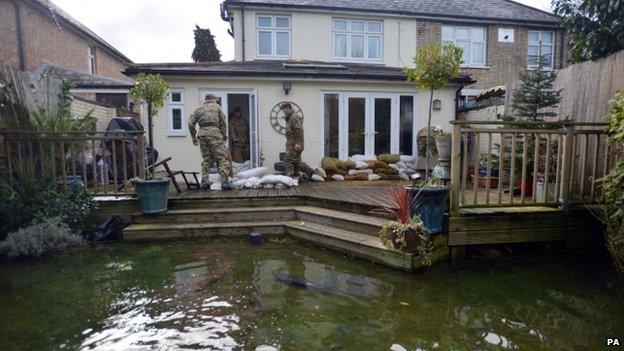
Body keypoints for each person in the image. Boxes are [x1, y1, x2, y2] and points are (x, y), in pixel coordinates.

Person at [188, 94, 233, 190]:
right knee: (222, 158)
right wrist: (224, 136)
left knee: (206, 159)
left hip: (202, 135)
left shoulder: (198, 108)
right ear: (212, 99)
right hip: (215, 134)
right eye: (215, 99)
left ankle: (205, 182)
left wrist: (193, 136)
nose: (216, 101)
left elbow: (190, 123)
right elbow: (223, 123)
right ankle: (224, 181)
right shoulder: (217, 107)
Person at [281, 102, 311, 178]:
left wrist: (298, 143)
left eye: (284, 111)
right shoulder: (290, 118)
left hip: (295, 144)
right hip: (291, 143)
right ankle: (310, 171)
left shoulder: (294, 117)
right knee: (296, 162)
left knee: (288, 160)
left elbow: (299, 131)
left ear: (288, 108)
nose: (283, 113)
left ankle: (289, 178)